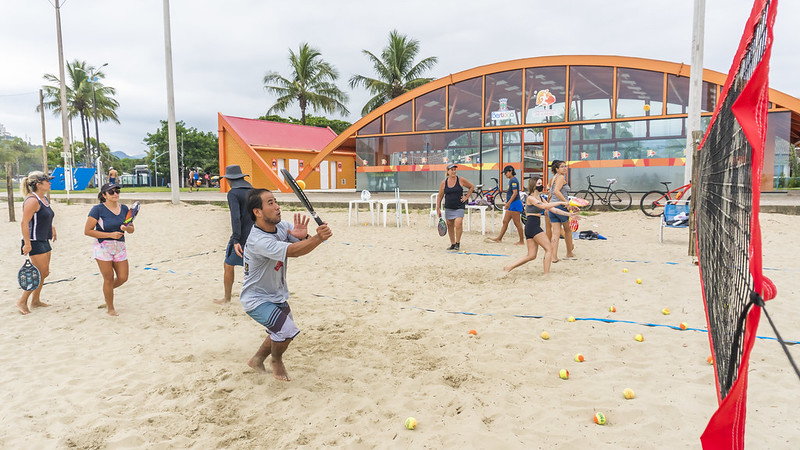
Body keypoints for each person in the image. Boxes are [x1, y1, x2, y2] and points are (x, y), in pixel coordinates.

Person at [240, 188, 332, 381]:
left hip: (277, 294)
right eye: (270, 203)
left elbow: (299, 244)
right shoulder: (258, 240)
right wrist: (318, 238)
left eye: (276, 201)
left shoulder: (281, 227)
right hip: (256, 299)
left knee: (278, 330)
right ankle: (276, 361)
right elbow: (294, 251)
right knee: (286, 331)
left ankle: (256, 360)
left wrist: (304, 237)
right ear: (257, 212)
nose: (277, 206)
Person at [503, 176, 575, 275]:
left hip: (531, 227)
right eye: (539, 184)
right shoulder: (530, 198)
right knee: (549, 249)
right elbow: (544, 206)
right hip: (533, 226)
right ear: (533, 186)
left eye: (541, 184)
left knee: (531, 255)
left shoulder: (540, 198)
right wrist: (562, 202)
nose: (541, 186)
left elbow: (554, 210)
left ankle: (509, 267)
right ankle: (546, 274)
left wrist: (569, 214)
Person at [84, 183, 134, 316]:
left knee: (123, 277)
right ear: (104, 195)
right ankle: (110, 308)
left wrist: (126, 228)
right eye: (111, 192)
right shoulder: (97, 209)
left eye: (117, 191)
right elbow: (87, 231)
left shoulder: (124, 209)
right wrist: (110, 235)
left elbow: (132, 229)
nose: (115, 194)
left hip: (120, 247)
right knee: (109, 278)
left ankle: (107, 293)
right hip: (103, 246)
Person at [16, 171, 56, 315]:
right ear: (39, 184)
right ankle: (22, 301)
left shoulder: (43, 198)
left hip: (43, 238)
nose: (50, 182)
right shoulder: (32, 200)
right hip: (33, 240)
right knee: (39, 272)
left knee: (44, 272)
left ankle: (36, 301)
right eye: (48, 181)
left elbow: (44, 216)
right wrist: (27, 243)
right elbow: (24, 222)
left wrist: (52, 228)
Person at [214, 165, 253, 304]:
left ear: (229, 180)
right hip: (258, 234)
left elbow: (236, 218)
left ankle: (227, 298)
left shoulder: (233, 193)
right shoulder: (253, 191)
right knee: (256, 267)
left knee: (228, 265)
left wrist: (236, 239)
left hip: (242, 235)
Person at [436, 163, 475, 251]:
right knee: (450, 225)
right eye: (452, 170)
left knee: (459, 223)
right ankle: (453, 244)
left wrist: (466, 197)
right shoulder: (444, 183)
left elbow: (471, 187)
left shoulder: (460, 180)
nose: (453, 171)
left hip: (459, 206)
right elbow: (440, 196)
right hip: (449, 207)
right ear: (448, 171)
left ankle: (458, 243)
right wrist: (437, 208)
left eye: (454, 169)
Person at [547, 160, 576, 262]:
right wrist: (566, 202)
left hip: (552, 207)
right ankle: (569, 252)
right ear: (557, 169)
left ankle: (554, 257)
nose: (565, 168)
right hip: (560, 206)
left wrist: (548, 205)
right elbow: (556, 191)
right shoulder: (560, 177)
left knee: (555, 233)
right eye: (562, 167)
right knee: (567, 230)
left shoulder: (553, 179)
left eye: (565, 166)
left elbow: (550, 193)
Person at [489, 165, 525, 245]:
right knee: (505, 221)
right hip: (512, 203)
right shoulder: (511, 180)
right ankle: (499, 238)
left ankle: (521, 241)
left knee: (517, 223)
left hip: (515, 204)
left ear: (510, 171)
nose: (505, 174)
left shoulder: (514, 180)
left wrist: (508, 203)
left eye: (506, 172)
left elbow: (515, 193)